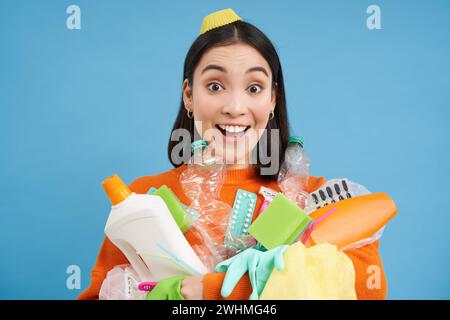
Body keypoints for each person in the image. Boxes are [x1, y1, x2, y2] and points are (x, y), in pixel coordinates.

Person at [78, 8, 387, 300]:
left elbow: (366, 288)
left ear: (273, 99)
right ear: (189, 95)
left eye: (254, 88)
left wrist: (213, 289)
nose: (235, 107)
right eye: (215, 86)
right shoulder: (145, 200)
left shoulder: (316, 200)